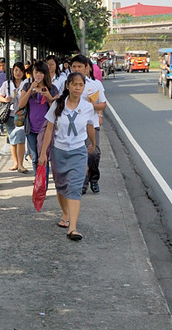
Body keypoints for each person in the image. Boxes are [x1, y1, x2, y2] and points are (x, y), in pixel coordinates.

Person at [38, 72, 99, 241]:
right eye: (74, 84)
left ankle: (72, 227)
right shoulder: (58, 104)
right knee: (61, 185)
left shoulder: (87, 107)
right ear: (68, 86)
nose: (77, 88)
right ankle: (65, 213)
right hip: (59, 151)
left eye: (81, 85)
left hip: (78, 151)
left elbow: (90, 127)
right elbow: (49, 129)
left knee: (74, 187)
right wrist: (43, 153)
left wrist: (93, 145)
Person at [69, 55, 107, 194]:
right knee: (80, 155)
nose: (77, 69)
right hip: (74, 126)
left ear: (87, 68)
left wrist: (94, 107)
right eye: (74, 66)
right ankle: (83, 184)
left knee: (93, 153)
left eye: (80, 66)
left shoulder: (95, 85)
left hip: (91, 124)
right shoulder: (67, 85)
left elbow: (103, 104)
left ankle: (94, 178)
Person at [18, 60, 58, 170]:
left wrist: (49, 96)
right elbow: (21, 104)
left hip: (45, 128)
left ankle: (43, 184)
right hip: (31, 128)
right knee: (35, 158)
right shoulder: (27, 86)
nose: (38, 75)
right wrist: (31, 89)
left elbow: (56, 109)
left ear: (45, 74)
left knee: (43, 156)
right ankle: (38, 181)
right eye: (36, 72)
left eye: (41, 73)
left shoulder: (52, 88)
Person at [0, 61, 28, 172]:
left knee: (20, 138)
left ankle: (20, 164)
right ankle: (16, 163)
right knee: (12, 139)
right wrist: (5, 99)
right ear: (12, 71)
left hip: (22, 115)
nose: (18, 73)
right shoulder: (7, 84)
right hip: (9, 115)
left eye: (20, 70)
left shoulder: (27, 83)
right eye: (16, 70)